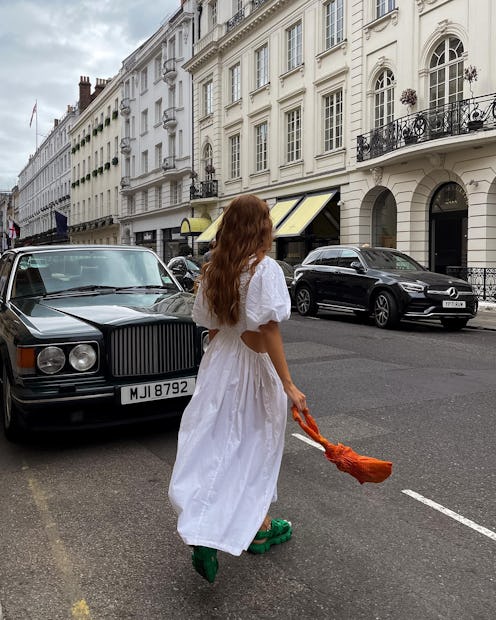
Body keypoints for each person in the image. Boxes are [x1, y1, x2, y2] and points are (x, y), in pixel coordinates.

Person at [168, 194, 306, 583]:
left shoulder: (214, 270)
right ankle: (256, 529)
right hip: (252, 368)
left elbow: (212, 329)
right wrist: (289, 385)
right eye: (268, 221)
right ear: (260, 227)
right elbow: (268, 329)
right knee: (255, 445)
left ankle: (210, 530)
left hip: (219, 364)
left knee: (213, 446)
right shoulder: (264, 270)